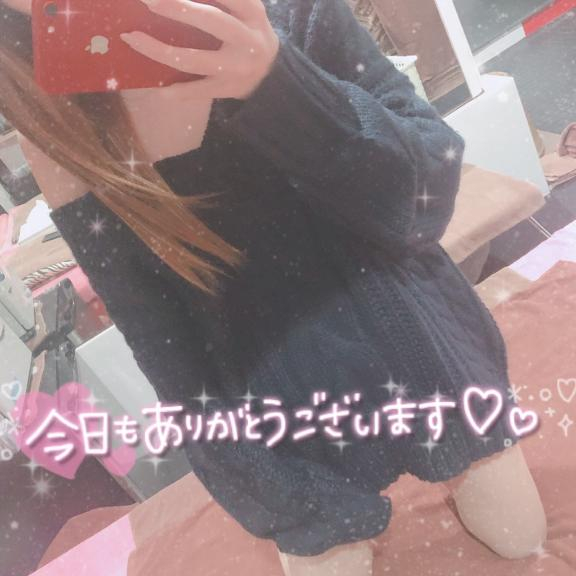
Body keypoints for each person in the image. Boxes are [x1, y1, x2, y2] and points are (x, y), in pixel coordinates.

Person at [0, 0, 547, 573]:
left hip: (429, 361)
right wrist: (264, 486)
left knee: (520, 537)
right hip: (284, 432)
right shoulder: (55, 125)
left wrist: (278, 81)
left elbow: (425, 199)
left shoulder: (287, 9)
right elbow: (161, 343)